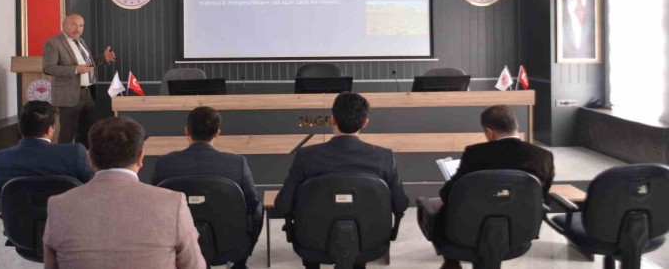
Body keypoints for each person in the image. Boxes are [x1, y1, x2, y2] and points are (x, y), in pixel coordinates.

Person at [43, 117, 205, 269]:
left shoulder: (58, 205)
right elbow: (195, 266)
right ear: (141, 157)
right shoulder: (173, 203)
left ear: (89, 158)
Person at [275, 92, 409, 269]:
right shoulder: (384, 157)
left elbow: (283, 204)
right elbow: (401, 204)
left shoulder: (306, 156)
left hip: (312, 242)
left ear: (332, 120)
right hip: (368, 242)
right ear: (365, 122)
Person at [436, 105, 555, 269]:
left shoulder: (475, 153)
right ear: (516, 126)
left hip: (465, 233)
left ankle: (451, 262)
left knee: (437, 209)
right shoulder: (544, 156)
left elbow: (447, 194)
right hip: (518, 235)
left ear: (489, 132)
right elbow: (543, 196)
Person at [151, 106, 261, 269]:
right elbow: (253, 204)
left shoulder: (164, 164)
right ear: (217, 132)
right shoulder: (237, 163)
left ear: (186, 131)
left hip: (177, 245)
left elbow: (153, 206)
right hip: (228, 246)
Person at [0, 101, 94, 196]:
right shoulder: (75, 154)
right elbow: (93, 185)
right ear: (50, 130)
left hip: (18, 213)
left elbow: (2, 196)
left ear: (19, 128)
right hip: (65, 212)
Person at [42, 13, 115, 148]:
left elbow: (87, 65)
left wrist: (103, 58)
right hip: (69, 95)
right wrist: (75, 69)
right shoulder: (53, 43)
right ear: (64, 24)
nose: (78, 29)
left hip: (88, 93)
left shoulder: (81, 41)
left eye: (81, 26)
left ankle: (84, 159)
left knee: (87, 133)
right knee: (67, 134)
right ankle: (64, 160)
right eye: (74, 25)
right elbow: (48, 68)